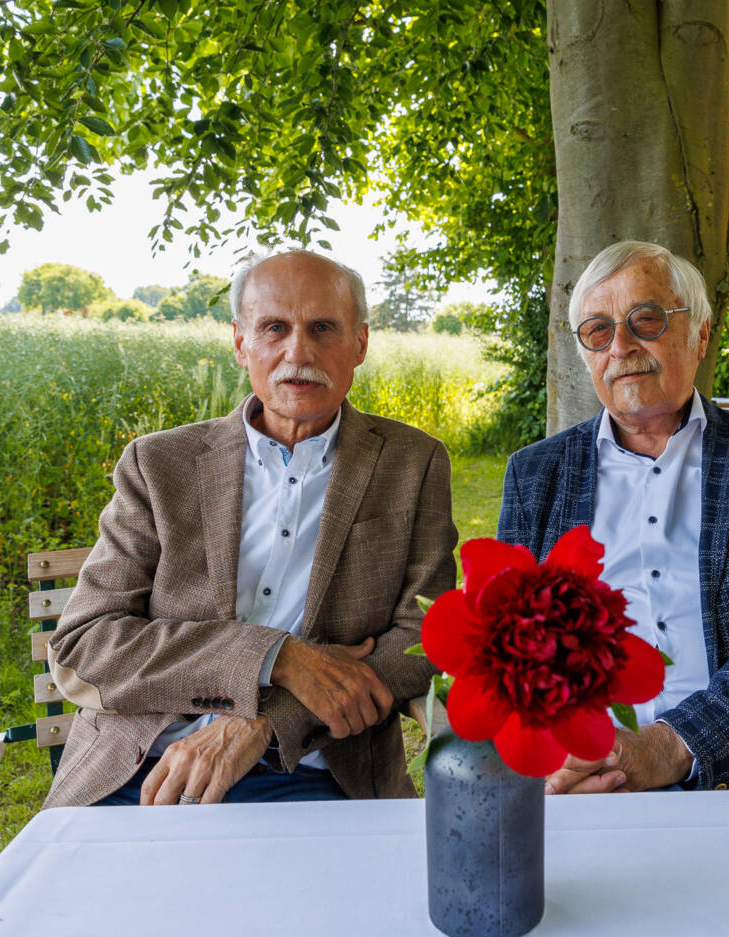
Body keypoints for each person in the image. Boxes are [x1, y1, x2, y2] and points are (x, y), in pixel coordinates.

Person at [43, 250, 456, 808]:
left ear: (359, 343)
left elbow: (423, 635)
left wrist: (264, 719)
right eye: (274, 329)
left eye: (322, 328)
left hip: (315, 771)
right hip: (140, 769)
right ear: (240, 343)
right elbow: (83, 643)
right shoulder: (159, 464)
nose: (298, 353)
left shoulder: (413, 462)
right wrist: (274, 657)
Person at [497, 241, 729, 794]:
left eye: (647, 319)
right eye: (597, 331)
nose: (620, 346)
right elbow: (513, 640)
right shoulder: (535, 476)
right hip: (587, 775)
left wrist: (676, 745)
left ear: (702, 333)